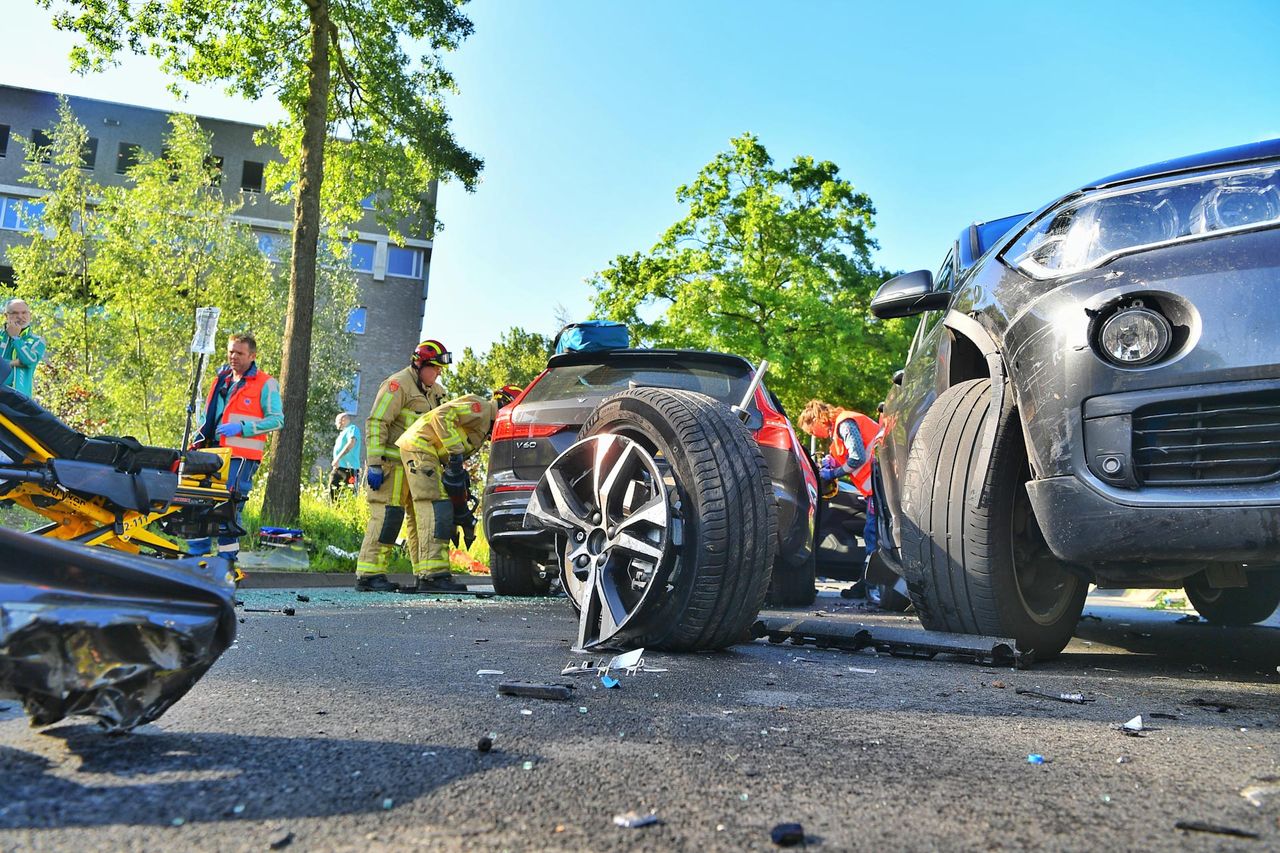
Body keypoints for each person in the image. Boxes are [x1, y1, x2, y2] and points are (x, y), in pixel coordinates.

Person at [394, 385, 521, 593]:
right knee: (436, 507)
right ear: (505, 405)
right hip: (421, 448)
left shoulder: (484, 427)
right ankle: (434, 576)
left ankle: (423, 573)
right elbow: (442, 416)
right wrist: (455, 454)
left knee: (421, 514)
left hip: (422, 450)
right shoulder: (479, 407)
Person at [355, 339, 450, 592]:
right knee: (387, 517)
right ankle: (369, 575)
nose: (438, 373)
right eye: (434, 368)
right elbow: (376, 422)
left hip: (418, 468)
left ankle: (427, 574)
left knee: (423, 520)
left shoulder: (436, 392)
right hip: (392, 466)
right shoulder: (397, 385)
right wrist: (374, 463)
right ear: (419, 365)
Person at [188, 332, 283, 564]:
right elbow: (209, 415)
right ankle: (195, 557)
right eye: (231, 351)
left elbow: (277, 420)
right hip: (210, 451)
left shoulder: (265, 383)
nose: (233, 356)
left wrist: (241, 427)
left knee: (228, 508)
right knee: (198, 502)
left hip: (240, 457)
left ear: (252, 355)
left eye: (239, 353)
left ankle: (226, 561)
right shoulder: (221, 379)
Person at [798, 399, 882, 594]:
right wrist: (832, 462)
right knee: (873, 534)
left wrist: (832, 473)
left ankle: (872, 584)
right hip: (878, 486)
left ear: (817, 420)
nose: (813, 435)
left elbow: (857, 457)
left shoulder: (845, 423)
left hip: (881, 484)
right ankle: (869, 582)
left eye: (811, 430)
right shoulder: (840, 428)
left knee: (873, 535)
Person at [1, 298, 47, 398]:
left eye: (24, 312)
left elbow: (29, 361)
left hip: (20, 399)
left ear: (30, 315)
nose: (20, 317)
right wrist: (14, 362)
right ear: (6, 316)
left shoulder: (37, 341)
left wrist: (16, 338)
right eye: (14, 313)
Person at [329, 412, 361, 500]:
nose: (336, 424)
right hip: (339, 467)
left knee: (350, 493)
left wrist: (337, 458)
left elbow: (351, 443)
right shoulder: (342, 433)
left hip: (350, 468)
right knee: (333, 490)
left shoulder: (352, 428)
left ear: (343, 420)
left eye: (337, 421)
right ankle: (335, 511)